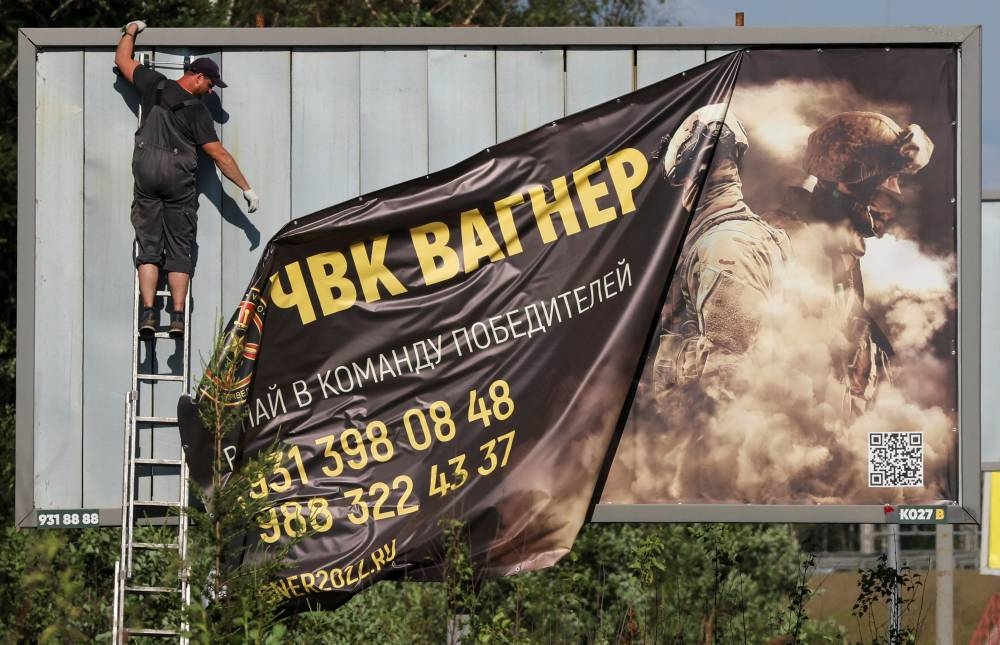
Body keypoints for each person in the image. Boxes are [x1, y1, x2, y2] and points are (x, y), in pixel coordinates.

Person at [771, 110, 934, 416]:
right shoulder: (784, 246)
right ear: (851, 185)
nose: (896, 192)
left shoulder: (840, 252)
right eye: (891, 179)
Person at [115, 20, 260, 338]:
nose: (211, 92)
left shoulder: (155, 84)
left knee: (149, 248)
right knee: (180, 250)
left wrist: (130, 31)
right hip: (178, 185)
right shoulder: (198, 113)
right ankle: (177, 316)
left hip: (147, 178)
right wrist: (247, 188)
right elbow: (219, 155)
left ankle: (149, 313)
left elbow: (122, 60)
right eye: (211, 85)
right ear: (198, 76)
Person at [652, 103, 791, 400]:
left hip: (715, 437)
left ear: (697, 169)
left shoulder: (723, 248)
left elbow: (727, 385)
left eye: (683, 176)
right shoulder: (730, 237)